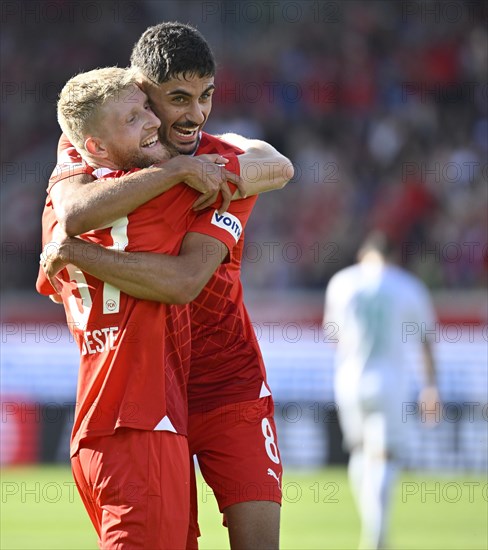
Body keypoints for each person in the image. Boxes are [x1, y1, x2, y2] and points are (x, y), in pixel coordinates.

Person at [43, 22, 290, 549]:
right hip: (154, 386)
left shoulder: (220, 165)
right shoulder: (93, 151)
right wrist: (177, 169)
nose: (196, 114)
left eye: (206, 97)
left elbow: (278, 165)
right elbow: (71, 211)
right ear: (140, 93)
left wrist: (194, 167)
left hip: (229, 379)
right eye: (177, 99)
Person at [324, 231, 441, 550]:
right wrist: (431, 388)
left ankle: (372, 525)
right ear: (392, 257)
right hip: (391, 382)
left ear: (364, 255)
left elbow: (332, 335)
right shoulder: (408, 287)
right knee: (385, 456)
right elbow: (426, 343)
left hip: (349, 380)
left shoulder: (342, 282)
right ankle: (376, 533)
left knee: (360, 451)